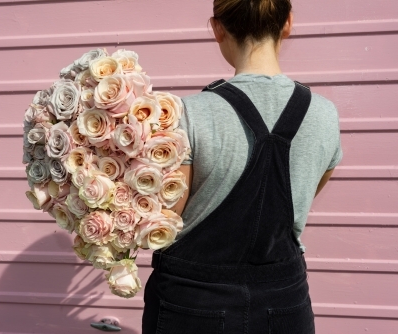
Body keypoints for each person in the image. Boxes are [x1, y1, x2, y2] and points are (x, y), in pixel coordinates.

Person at [142, 0, 343, 333]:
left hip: (193, 303)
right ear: (288, 23)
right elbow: (303, 193)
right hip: (284, 303)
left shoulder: (188, 114)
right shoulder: (325, 114)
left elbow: (169, 218)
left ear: (218, 28)